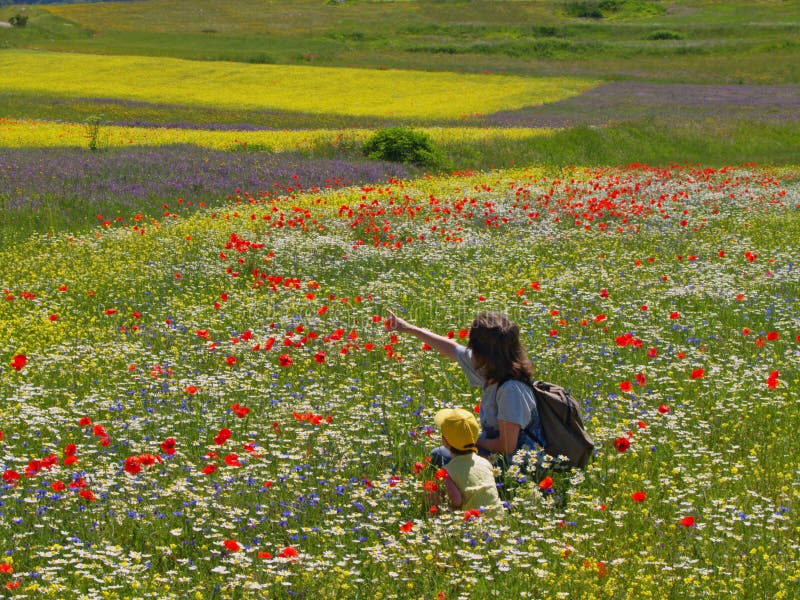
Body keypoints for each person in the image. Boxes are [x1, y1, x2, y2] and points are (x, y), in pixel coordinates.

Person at [386, 310, 546, 467]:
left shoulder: (511, 390)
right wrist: (408, 328)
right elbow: (452, 349)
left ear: (484, 352)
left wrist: (468, 442)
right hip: (496, 450)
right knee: (446, 452)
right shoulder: (494, 368)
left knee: (442, 456)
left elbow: (506, 446)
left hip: (518, 464)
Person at [430, 407, 505, 517]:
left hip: (473, 522)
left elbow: (456, 501)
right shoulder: (485, 463)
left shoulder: (447, 471)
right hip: (498, 518)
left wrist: (435, 499)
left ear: (445, 443)